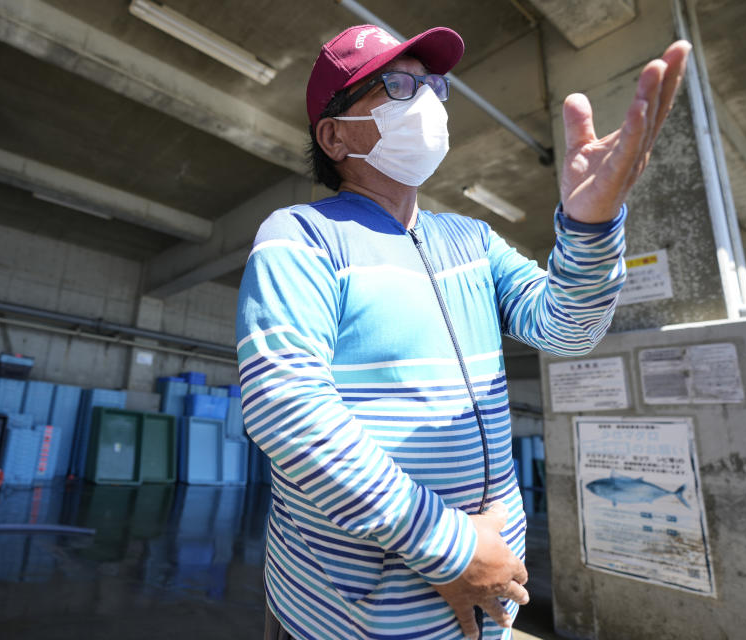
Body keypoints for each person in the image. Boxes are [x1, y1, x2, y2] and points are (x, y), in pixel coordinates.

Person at [236, 24, 690, 640]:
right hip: (345, 619)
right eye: (397, 86)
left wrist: (590, 225)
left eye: (432, 85)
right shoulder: (301, 236)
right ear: (334, 134)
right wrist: (448, 546)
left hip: (484, 604)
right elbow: (283, 407)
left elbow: (567, 327)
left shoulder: (472, 241)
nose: (424, 100)